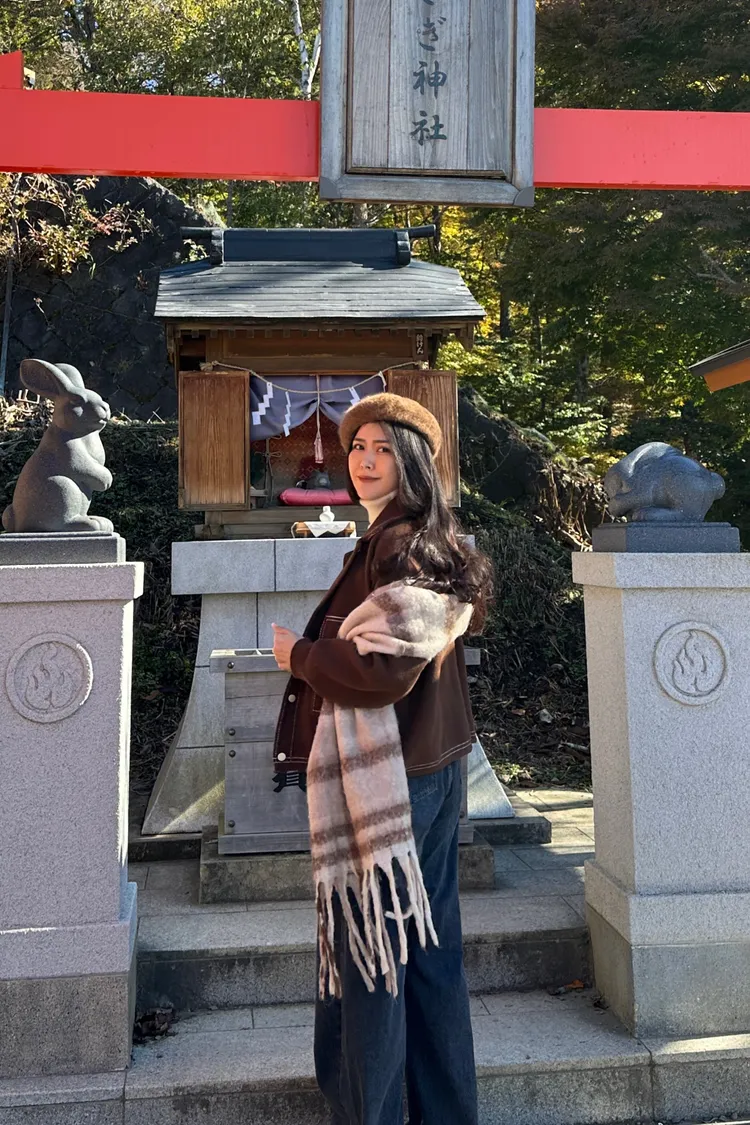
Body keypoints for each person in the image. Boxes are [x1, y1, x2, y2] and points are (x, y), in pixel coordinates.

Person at [271, 392, 493, 1125]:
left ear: (413, 462)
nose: (365, 460)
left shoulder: (398, 545)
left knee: (372, 958)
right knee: (427, 952)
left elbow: (382, 669)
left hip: (395, 778)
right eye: (358, 446)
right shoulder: (415, 539)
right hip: (427, 767)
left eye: (384, 449)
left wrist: (300, 655)